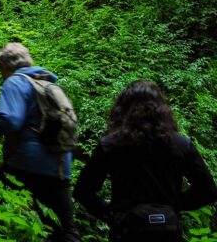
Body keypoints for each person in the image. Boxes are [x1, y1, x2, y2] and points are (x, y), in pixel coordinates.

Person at [74, 79, 217, 242]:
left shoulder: (110, 145)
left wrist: (111, 213)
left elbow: (83, 191)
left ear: (122, 109)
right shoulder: (181, 144)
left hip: (126, 232)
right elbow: (208, 191)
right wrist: (174, 206)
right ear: (162, 110)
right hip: (167, 231)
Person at [0, 43, 80, 242]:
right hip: (59, 164)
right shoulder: (49, 84)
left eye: (0, 70)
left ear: (5, 66)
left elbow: (10, 122)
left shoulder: (15, 81)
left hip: (26, 162)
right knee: (65, 229)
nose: (1, 75)